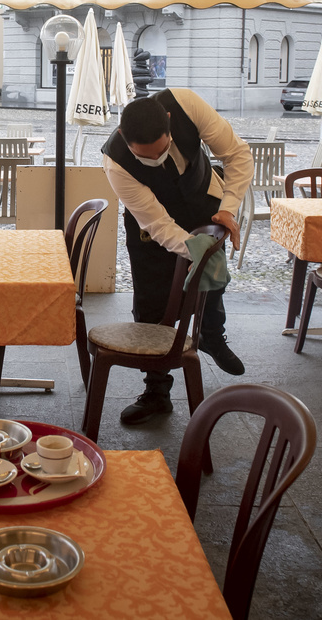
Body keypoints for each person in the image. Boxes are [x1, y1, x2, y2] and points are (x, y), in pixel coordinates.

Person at [101, 88, 253, 425]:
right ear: (124, 136)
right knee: (151, 303)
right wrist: (194, 249)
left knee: (212, 278)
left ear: (169, 124)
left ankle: (212, 334)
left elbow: (238, 154)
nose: (156, 161)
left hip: (203, 200)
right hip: (151, 225)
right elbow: (158, 223)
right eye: (146, 157)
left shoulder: (186, 105)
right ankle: (157, 391)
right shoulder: (116, 162)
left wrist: (228, 210)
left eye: (162, 151)